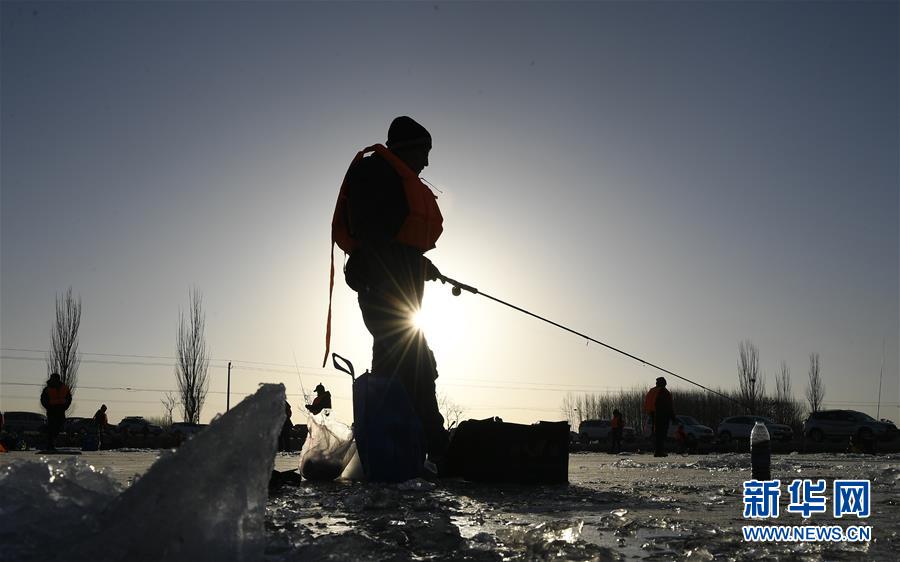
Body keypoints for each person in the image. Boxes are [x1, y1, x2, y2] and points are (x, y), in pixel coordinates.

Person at [334, 116, 449, 464]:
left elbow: (396, 245)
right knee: (414, 361)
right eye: (424, 152)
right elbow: (375, 240)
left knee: (396, 363)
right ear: (408, 148)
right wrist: (412, 266)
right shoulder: (375, 173)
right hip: (383, 289)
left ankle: (388, 449)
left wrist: (422, 267)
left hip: (401, 290)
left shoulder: (392, 177)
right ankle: (436, 448)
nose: (427, 162)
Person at [40, 372, 72, 451]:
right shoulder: (48, 389)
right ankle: (50, 445)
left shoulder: (64, 388)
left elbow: (69, 398)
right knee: (52, 428)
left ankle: (51, 443)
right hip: (52, 410)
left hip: (61, 410)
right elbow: (43, 399)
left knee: (59, 426)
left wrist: (65, 406)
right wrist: (48, 407)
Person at [646, 376, 677, 457]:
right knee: (661, 434)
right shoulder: (663, 391)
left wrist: (651, 414)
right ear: (663, 383)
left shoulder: (652, 390)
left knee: (657, 434)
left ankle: (657, 451)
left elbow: (648, 403)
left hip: (652, 415)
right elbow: (668, 406)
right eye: (665, 382)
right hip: (662, 415)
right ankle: (659, 452)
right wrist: (673, 417)